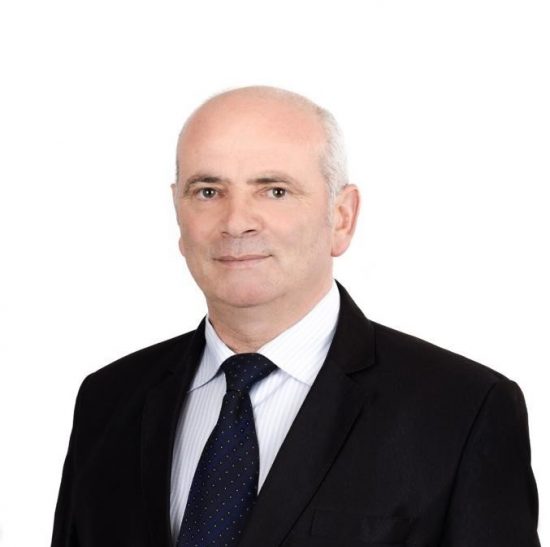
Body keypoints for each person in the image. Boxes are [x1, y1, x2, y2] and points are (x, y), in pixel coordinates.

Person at [51, 86, 540, 547]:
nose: (236, 222)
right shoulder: (108, 401)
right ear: (178, 213)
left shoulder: (462, 411)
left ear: (341, 217)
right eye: (208, 191)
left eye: (275, 191)